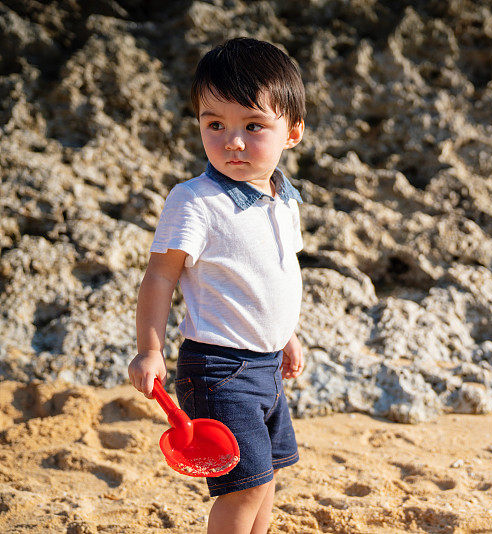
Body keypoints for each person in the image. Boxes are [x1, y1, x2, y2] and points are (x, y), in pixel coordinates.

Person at [128, 37, 307, 534]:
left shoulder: (284, 199)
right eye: (215, 125)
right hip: (219, 366)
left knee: (266, 476)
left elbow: (273, 275)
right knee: (242, 484)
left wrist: (285, 334)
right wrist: (149, 349)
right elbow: (161, 276)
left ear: (292, 132)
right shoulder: (195, 201)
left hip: (266, 364)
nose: (232, 141)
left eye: (253, 126)